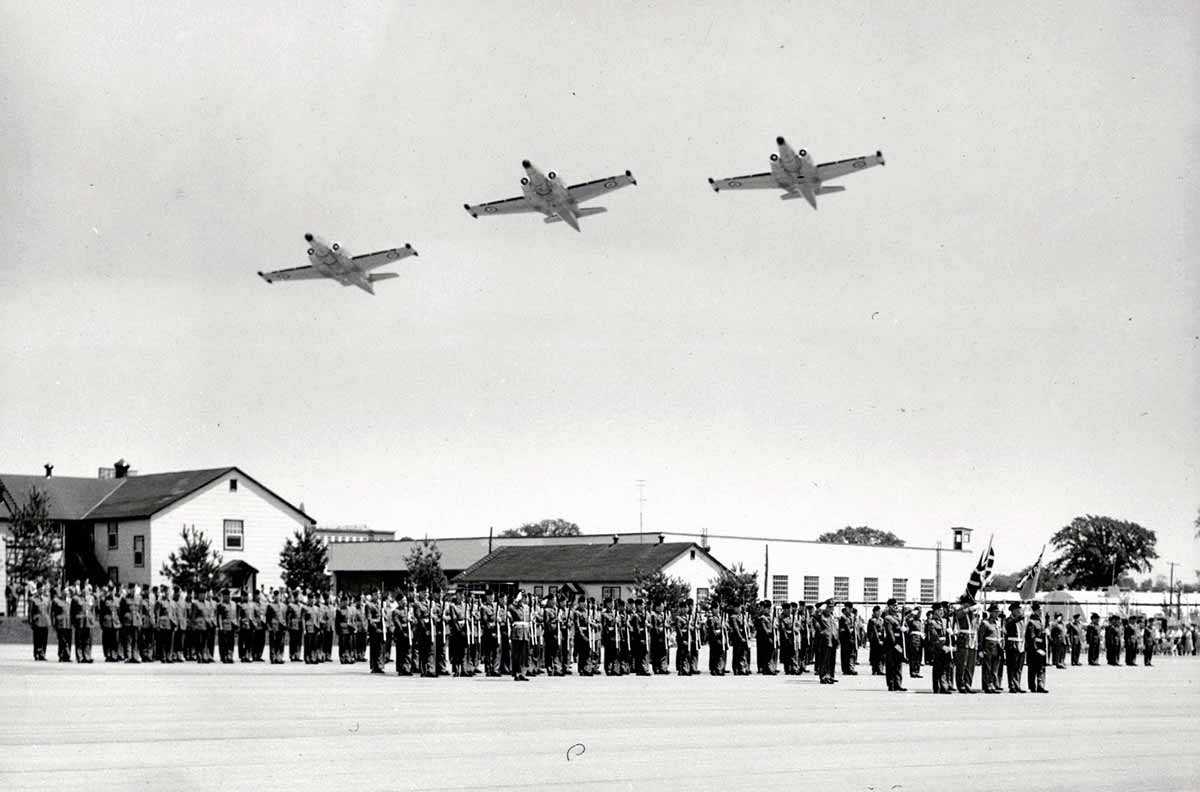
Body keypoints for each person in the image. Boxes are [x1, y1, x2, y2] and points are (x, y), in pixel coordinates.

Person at [952, 596, 978, 694]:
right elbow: (958, 615)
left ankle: (968, 684)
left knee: (970, 664)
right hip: (963, 638)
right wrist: (969, 609)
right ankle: (961, 684)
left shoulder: (973, 614)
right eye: (969, 603)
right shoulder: (960, 611)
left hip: (972, 639)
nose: (971, 605)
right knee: (962, 663)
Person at [977, 603, 1003, 693]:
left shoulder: (998, 623)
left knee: (994, 668)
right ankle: (987, 686)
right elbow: (980, 637)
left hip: (997, 648)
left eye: (997, 612)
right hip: (987, 648)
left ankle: (992, 685)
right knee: (987, 668)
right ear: (990, 613)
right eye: (995, 612)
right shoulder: (985, 623)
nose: (997, 614)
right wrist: (980, 649)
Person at [882, 598, 906, 691]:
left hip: (899, 642)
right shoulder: (888, 618)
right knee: (891, 664)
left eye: (896, 605)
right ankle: (891, 684)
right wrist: (895, 644)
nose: (896, 607)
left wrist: (905, 628)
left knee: (898, 664)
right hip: (891, 644)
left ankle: (898, 684)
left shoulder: (899, 617)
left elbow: (904, 628)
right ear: (889, 607)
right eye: (894, 605)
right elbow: (890, 632)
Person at [508, 590, 531, 681]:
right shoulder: (513, 607)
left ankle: (523, 673)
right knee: (516, 654)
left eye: (525, 597)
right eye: (522, 596)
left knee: (524, 654)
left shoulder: (526, 607)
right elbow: (510, 608)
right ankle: (516, 673)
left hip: (525, 633)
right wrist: (516, 601)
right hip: (517, 633)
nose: (524, 598)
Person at [1004, 602, 1026, 693]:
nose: (1019, 611)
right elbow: (1009, 625)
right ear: (1013, 611)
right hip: (1012, 645)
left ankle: (1017, 684)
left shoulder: (1021, 621)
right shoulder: (1009, 619)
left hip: (1021, 645)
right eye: (1017, 610)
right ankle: (1012, 685)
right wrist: (1019, 618)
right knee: (1012, 667)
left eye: (1019, 610)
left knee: (1019, 667)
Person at [28, 583, 50, 661]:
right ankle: (36, 653)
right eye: (40, 589)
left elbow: (48, 611)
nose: (42, 590)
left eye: (43, 589)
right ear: (37, 589)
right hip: (37, 621)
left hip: (45, 621)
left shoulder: (47, 599)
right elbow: (30, 612)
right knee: (37, 639)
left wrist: (49, 621)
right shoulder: (33, 599)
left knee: (44, 639)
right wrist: (30, 622)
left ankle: (42, 654)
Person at [838, 603, 857, 676]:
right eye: (849, 608)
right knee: (845, 654)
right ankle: (845, 669)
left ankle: (850, 668)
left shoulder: (852, 616)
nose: (850, 610)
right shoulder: (843, 617)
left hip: (851, 637)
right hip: (845, 638)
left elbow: (853, 627)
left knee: (851, 654)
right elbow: (844, 628)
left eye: (851, 609)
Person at [905, 607, 924, 678]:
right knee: (913, 656)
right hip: (913, 639)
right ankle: (912, 671)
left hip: (921, 639)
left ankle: (917, 671)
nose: (919, 614)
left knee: (919, 656)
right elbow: (905, 620)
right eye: (918, 612)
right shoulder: (911, 620)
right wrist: (912, 613)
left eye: (920, 612)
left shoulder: (921, 621)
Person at [866, 606, 884, 675]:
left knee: (881, 655)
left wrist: (883, 639)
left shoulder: (881, 620)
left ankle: (880, 669)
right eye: (878, 611)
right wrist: (876, 640)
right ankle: (874, 669)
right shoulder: (872, 620)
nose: (879, 613)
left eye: (880, 611)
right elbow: (873, 631)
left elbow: (883, 630)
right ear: (874, 612)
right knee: (874, 655)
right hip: (874, 640)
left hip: (881, 639)